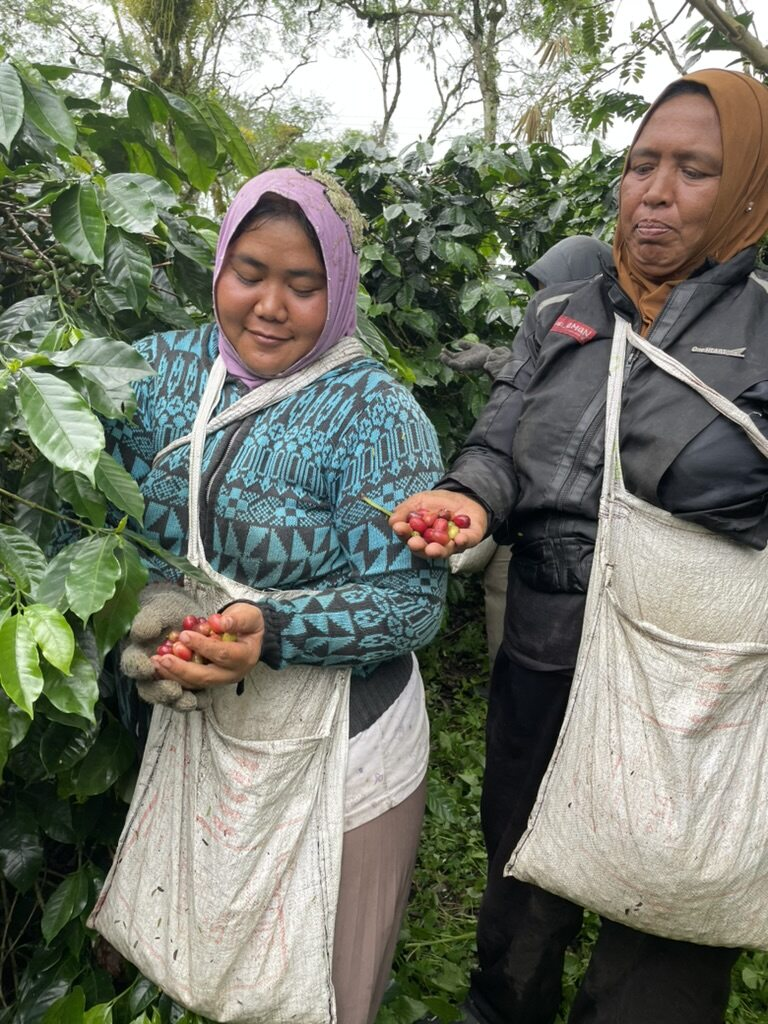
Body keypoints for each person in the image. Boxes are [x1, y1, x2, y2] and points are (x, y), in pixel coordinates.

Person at [391, 68, 768, 1024]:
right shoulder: (565, 312)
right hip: (547, 653)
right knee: (521, 895)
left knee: (661, 939)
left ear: (749, 189)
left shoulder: (763, 327)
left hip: (690, 690)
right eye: (643, 164)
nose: (656, 191)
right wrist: (467, 497)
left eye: (694, 169)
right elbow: (499, 442)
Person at [105, 167, 447, 1024]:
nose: (270, 306)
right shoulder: (154, 370)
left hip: (343, 742)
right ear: (218, 266)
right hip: (200, 718)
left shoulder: (377, 414)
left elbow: (410, 603)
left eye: (304, 286)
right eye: (250, 273)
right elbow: (88, 498)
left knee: (317, 986)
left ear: (338, 293)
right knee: (206, 951)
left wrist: (274, 629)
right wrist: (138, 602)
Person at [441, 236, 611, 664]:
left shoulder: (616, 349)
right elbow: (525, 386)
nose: (543, 300)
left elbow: (553, 389)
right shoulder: (547, 327)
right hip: (519, 522)